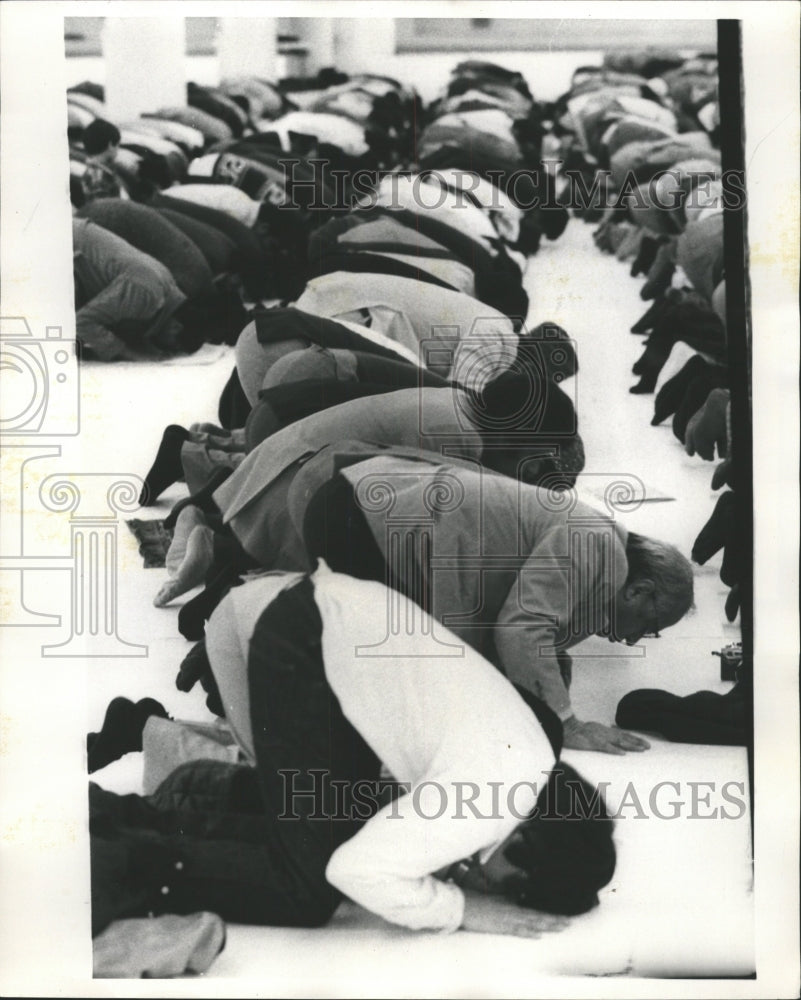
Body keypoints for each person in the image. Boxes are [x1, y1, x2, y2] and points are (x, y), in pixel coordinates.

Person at [195, 562, 617, 932]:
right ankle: (137, 841)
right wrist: (460, 909)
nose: (486, 884)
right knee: (306, 887)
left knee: (334, 822)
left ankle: (191, 794)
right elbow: (354, 871)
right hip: (290, 631)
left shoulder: (532, 760)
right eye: (508, 886)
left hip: (316, 613)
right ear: (531, 844)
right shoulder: (488, 804)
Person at [285, 449, 694, 754]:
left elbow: (529, 620)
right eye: (649, 626)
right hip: (365, 517)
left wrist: (548, 679)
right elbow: (522, 627)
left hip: (362, 504)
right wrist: (563, 722)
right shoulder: (595, 544)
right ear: (640, 590)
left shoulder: (599, 544)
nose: (633, 637)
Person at [72, 217, 188, 361]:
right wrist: (133, 355)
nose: (169, 348)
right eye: (174, 344)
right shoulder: (146, 293)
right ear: (176, 327)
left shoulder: (165, 284)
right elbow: (82, 321)